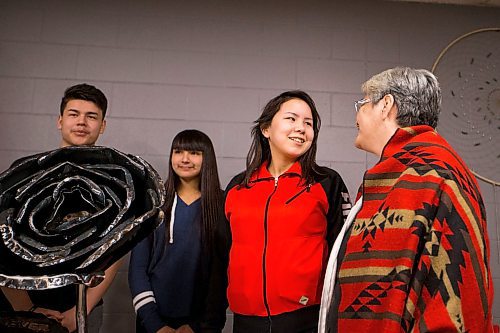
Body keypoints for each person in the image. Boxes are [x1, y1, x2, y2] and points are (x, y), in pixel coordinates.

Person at [318, 67, 494, 332]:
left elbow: (454, 299)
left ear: (386, 105)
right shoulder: (403, 169)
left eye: (362, 104)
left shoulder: (434, 174)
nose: (357, 116)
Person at [214, 90, 351, 333]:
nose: (301, 128)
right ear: (266, 129)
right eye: (292, 119)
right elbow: (221, 254)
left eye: (308, 123)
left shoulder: (327, 182)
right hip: (245, 320)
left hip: (306, 319)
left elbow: (344, 253)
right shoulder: (237, 187)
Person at [0, 83, 120, 333]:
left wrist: (80, 310)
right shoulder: (26, 172)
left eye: (91, 116)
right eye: (74, 114)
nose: (82, 122)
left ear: (103, 125)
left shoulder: (115, 182)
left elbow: (116, 250)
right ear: (60, 120)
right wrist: (25, 307)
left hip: (82, 309)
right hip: (23, 307)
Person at [129, 129, 226, 333]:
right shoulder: (152, 204)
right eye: (178, 151)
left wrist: (198, 326)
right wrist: (155, 325)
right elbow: (137, 270)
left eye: (194, 153)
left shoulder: (224, 205)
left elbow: (224, 274)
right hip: (153, 324)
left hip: (200, 325)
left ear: (207, 158)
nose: (184, 159)